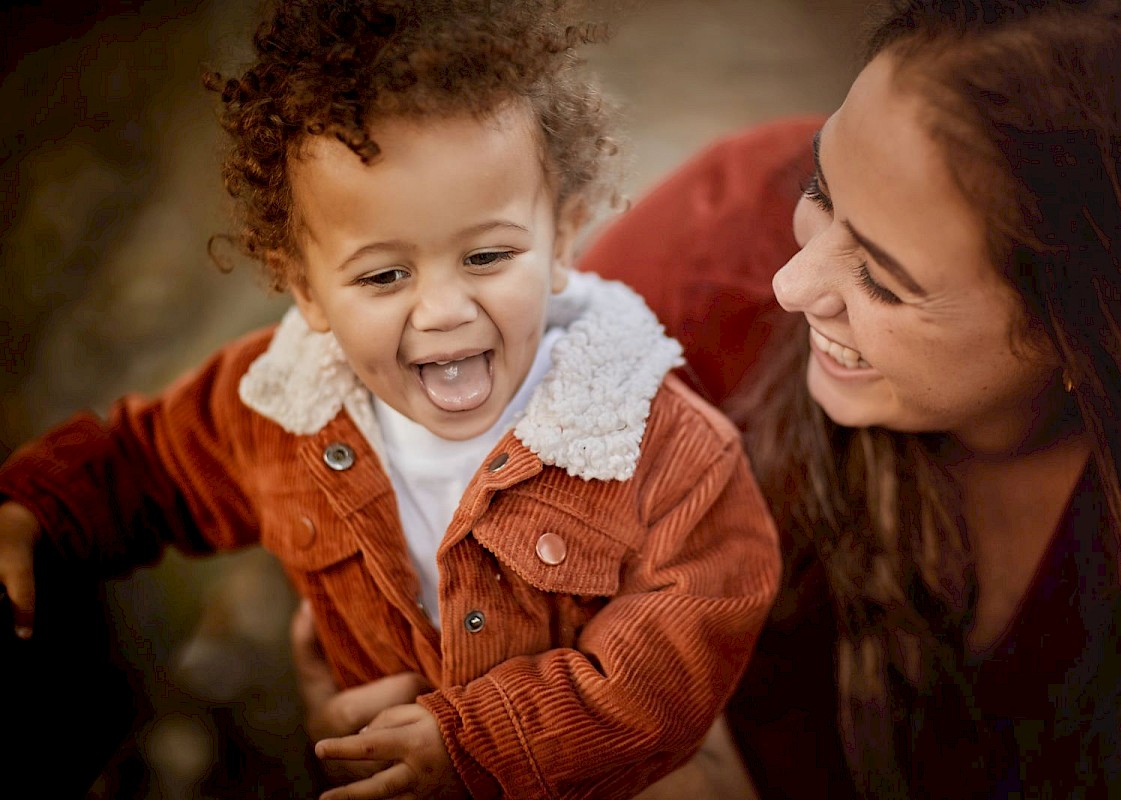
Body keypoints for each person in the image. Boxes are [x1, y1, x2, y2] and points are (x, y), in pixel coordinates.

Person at [299, 1, 1121, 797]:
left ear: (1089, 340)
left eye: (883, 283)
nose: (789, 282)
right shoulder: (702, 270)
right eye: (821, 189)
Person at [0, 1, 781, 798]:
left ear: (563, 239)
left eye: (485, 255)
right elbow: (148, 464)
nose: (442, 309)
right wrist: (36, 509)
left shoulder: (657, 443)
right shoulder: (280, 405)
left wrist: (484, 744)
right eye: (383, 275)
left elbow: (678, 655)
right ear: (304, 288)